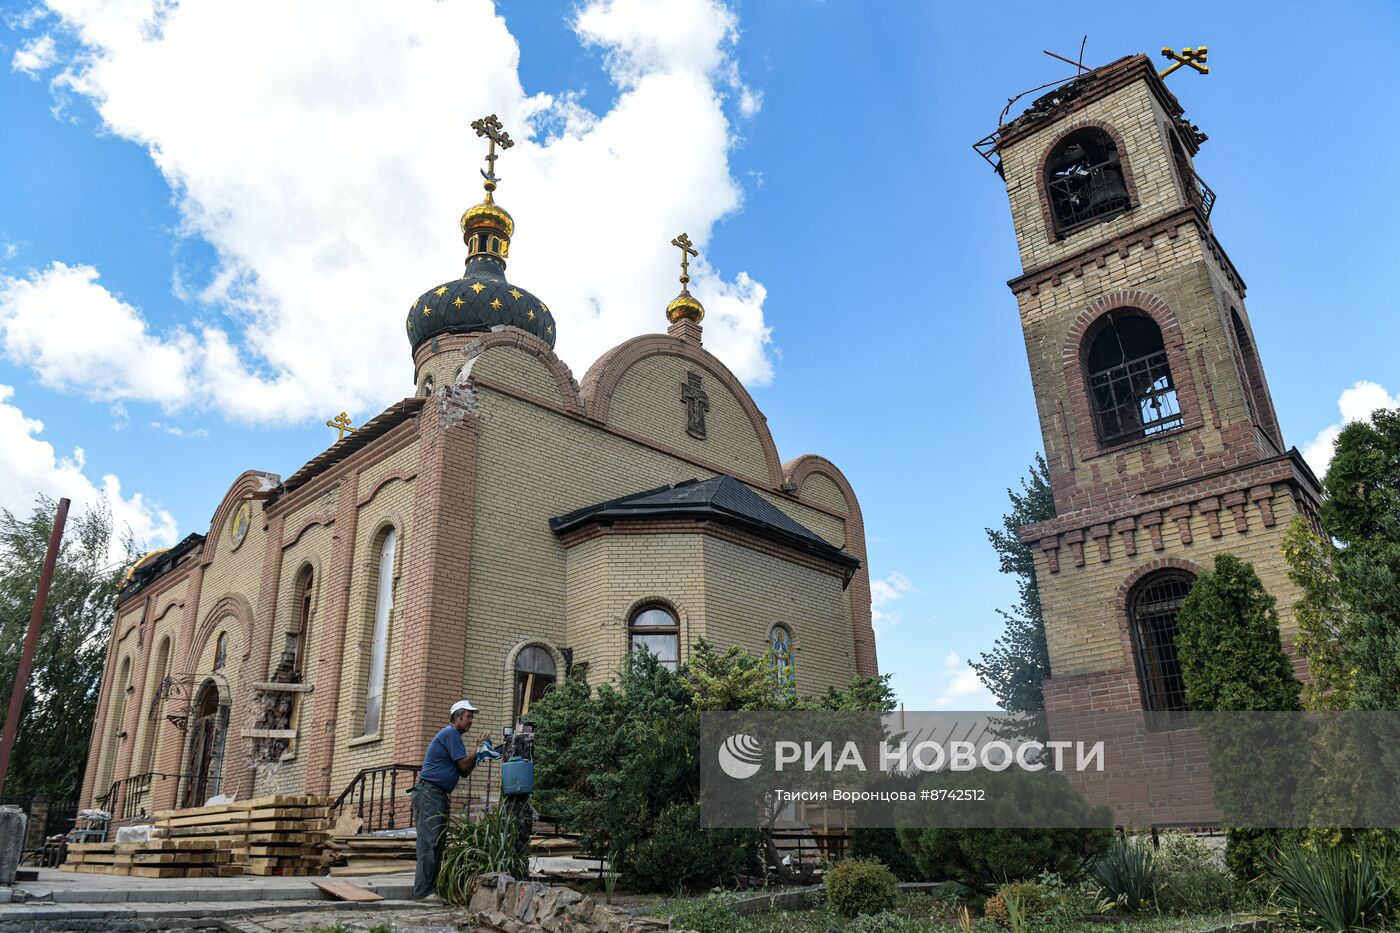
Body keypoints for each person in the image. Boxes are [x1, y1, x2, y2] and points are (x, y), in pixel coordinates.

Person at [413, 698, 490, 898]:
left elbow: (463, 771)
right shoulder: (451, 733)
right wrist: (478, 750)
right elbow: (464, 765)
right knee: (429, 843)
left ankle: (431, 890)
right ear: (456, 717)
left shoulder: (454, 736)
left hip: (437, 794)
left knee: (437, 843)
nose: (471, 721)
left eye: (472, 718)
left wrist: (477, 753)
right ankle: (423, 892)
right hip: (430, 792)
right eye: (468, 717)